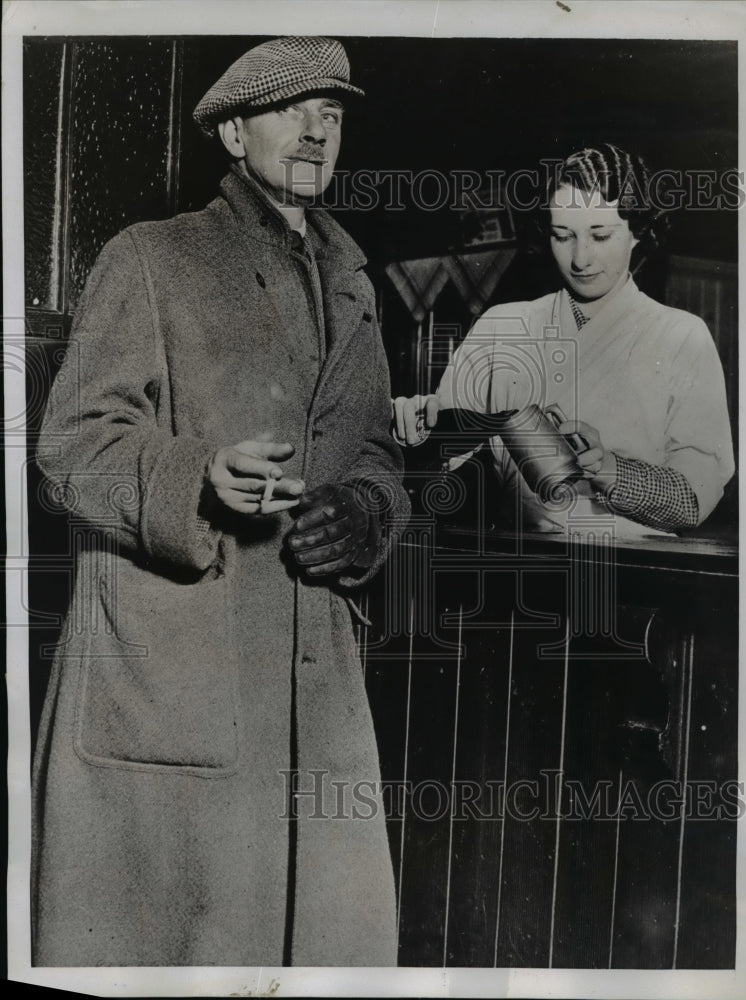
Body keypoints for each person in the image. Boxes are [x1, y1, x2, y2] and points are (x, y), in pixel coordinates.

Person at [32, 36, 409, 967]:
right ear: (236, 133)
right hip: (179, 667)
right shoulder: (154, 258)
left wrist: (364, 514)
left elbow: (374, 453)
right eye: (295, 112)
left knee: (319, 946)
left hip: (312, 674)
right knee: (176, 943)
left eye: (334, 115)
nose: (320, 132)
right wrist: (195, 476)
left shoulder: (354, 281)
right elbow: (70, 447)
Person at [393, 143, 734, 536]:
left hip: (633, 573)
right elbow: (451, 473)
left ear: (638, 231)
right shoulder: (500, 326)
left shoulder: (681, 336)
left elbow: (692, 501)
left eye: (601, 236)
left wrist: (607, 467)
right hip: (513, 564)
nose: (580, 258)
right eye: (562, 235)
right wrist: (421, 434)